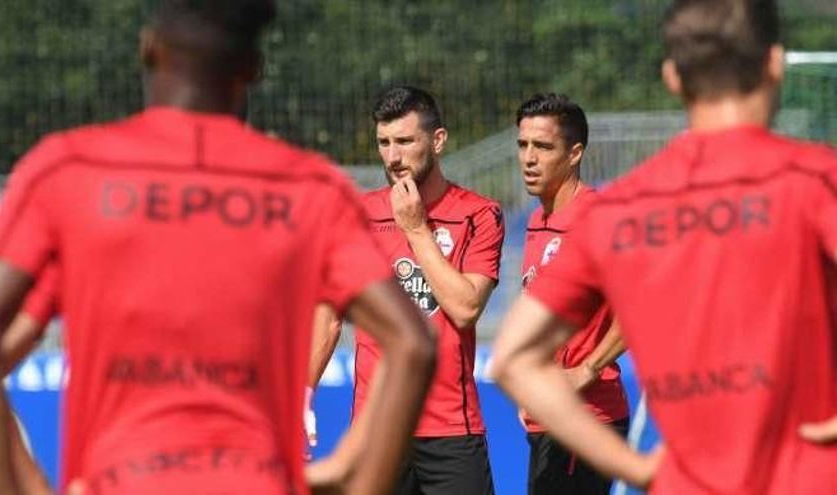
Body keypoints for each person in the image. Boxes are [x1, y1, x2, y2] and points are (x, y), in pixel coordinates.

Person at [0, 2, 437, 494]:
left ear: (149, 48)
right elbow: (413, 344)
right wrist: (352, 479)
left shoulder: (67, 173)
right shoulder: (309, 188)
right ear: (252, 68)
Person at [491, 0, 837, 493]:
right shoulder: (816, 179)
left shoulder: (620, 209)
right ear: (775, 64)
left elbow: (511, 360)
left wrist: (638, 470)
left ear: (672, 76)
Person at [346, 85, 504, 495]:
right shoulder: (358, 215)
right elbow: (327, 317)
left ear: (437, 140)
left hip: (452, 429)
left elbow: (466, 308)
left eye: (404, 141)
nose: (392, 156)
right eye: (384, 143)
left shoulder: (479, 214)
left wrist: (416, 230)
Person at [514, 93, 628, 495]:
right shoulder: (535, 220)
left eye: (543, 147)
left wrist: (587, 369)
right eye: (523, 144)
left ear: (575, 153)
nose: (529, 158)